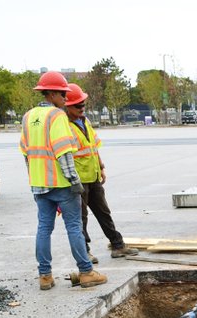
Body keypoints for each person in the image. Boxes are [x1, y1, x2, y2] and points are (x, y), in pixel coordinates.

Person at [18, 70, 105, 290]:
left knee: (44, 228)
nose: (66, 99)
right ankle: (86, 272)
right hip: (62, 183)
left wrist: (34, 181)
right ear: (53, 94)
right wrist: (74, 180)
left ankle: (45, 276)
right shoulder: (57, 116)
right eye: (63, 94)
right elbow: (63, 152)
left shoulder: (28, 117)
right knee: (74, 227)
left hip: (39, 184)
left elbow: (26, 153)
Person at [62, 84, 139, 264]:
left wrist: (101, 167)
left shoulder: (85, 121)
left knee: (104, 212)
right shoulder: (64, 126)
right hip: (78, 180)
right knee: (81, 219)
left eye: (83, 104)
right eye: (77, 105)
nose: (82, 108)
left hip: (94, 176)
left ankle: (117, 245)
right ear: (67, 106)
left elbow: (93, 147)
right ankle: (85, 251)